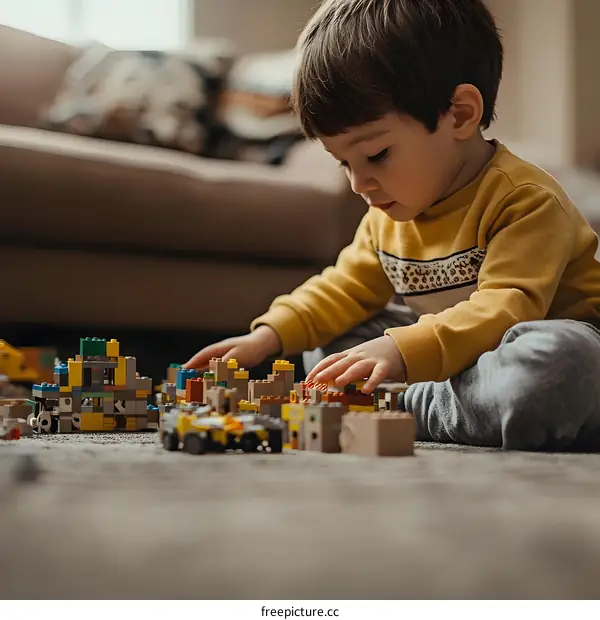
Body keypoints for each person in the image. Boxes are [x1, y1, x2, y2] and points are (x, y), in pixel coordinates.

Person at [184, 0, 600, 451]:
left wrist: (400, 352)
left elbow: (506, 309)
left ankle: (404, 405)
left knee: (554, 364)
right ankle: (439, 402)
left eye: (377, 155)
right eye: (344, 163)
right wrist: (265, 337)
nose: (360, 184)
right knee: (329, 344)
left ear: (459, 114)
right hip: (454, 361)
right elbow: (343, 289)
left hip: (544, 341)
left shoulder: (525, 200)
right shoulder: (385, 213)